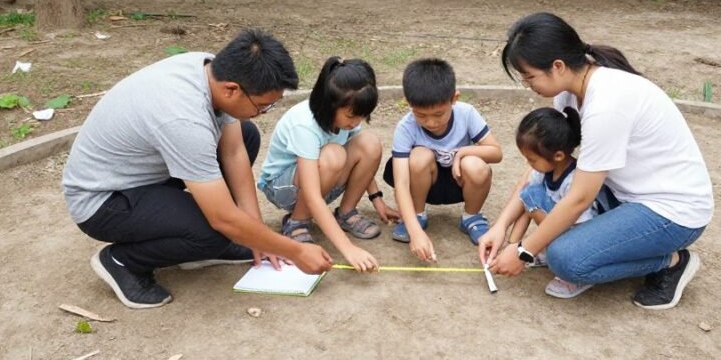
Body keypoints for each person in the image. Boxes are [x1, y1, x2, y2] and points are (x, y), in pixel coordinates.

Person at [63, 29, 333, 310]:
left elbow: (233, 151)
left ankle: (199, 243)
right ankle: (123, 262)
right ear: (232, 89)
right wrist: (295, 250)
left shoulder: (209, 68)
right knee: (216, 229)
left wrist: (255, 231)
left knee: (246, 133)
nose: (263, 112)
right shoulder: (183, 119)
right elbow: (223, 219)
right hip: (103, 202)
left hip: (144, 175)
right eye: (262, 106)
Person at [480, 13, 714, 309]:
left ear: (558, 66)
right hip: (621, 197)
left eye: (529, 76)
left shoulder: (606, 105)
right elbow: (541, 166)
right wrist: (501, 227)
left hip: (672, 212)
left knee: (566, 260)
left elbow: (579, 198)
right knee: (556, 240)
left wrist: (525, 251)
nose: (528, 85)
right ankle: (604, 246)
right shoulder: (568, 94)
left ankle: (673, 261)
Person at [257, 57, 397, 273]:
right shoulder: (305, 124)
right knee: (334, 155)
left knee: (369, 143)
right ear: (330, 104)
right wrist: (349, 249)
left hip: (322, 178)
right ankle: (297, 222)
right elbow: (313, 195)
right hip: (282, 188)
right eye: (352, 116)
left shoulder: (346, 119)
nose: (356, 122)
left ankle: (346, 213)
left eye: (362, 116)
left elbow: (362, 157)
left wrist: (377, 199)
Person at [384, 58, 503, 262]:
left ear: (454, 99)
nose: (431, 122)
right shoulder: (405, 127)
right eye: (421, 115)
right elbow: (402, 184)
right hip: (424, 183)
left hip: (459, 182)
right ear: (408, 103)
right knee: (419, 156)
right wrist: (415, 232)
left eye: (439, 114)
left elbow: (496, 152)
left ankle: (471, 217)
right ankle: (417, 215)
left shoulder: (466, 114)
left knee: (475, 164)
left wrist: (463, 152)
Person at [502, 107, 615, 295]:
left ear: (559, 155)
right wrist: (514, 246)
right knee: (530, 192)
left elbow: (583, 227)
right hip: (559, 226)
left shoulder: (574, 181)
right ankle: (546, 250)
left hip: (580, 233)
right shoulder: (543, 171)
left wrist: (523, 252)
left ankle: (572, 274)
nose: (529, 165)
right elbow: (526, 201)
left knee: (533, 196)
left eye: (532, 160)